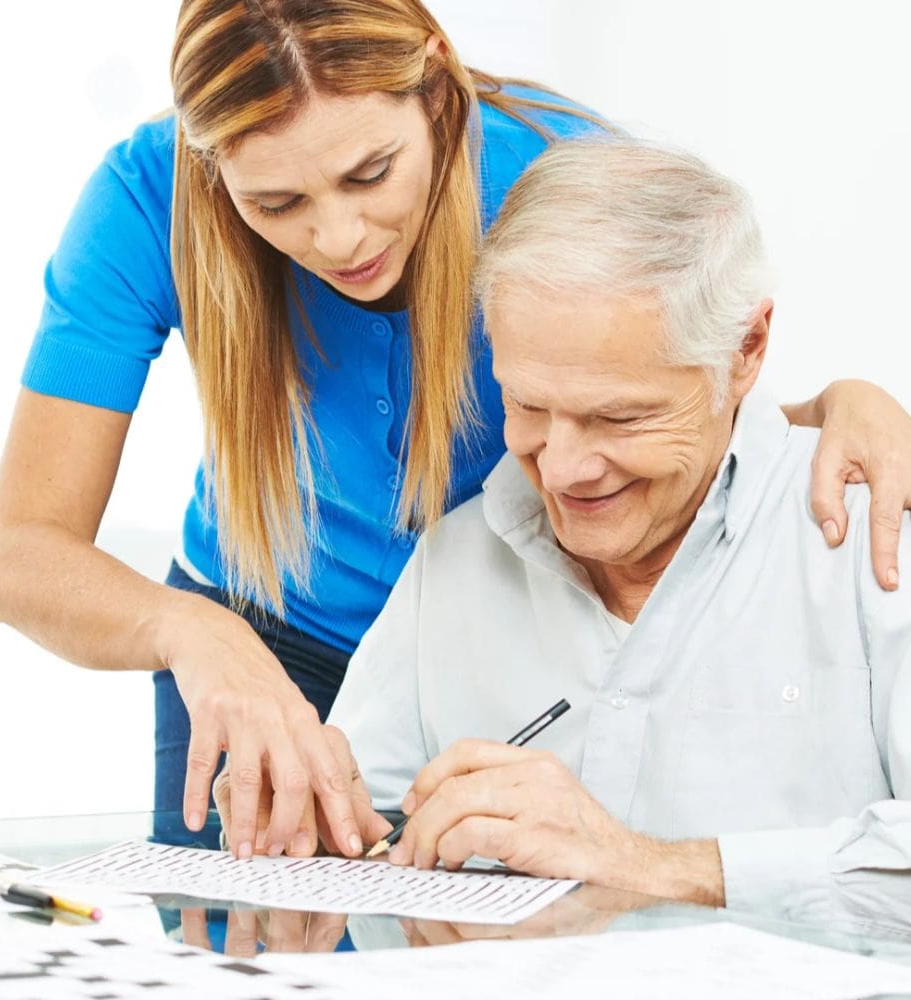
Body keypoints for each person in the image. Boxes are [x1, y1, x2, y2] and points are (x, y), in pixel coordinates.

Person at [0, 0, 911, 864]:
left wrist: (832, 404)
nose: (341, 238)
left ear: (434, 84)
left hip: (486, 656)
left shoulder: (555, 177)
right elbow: (23, 555)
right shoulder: (147, 204)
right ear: (210, 163)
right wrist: (195, 633)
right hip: (258, 645)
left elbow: (673, 403)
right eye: (276, 204)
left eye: (370, 173)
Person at [326, 138, 911, 923]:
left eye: (618, 417)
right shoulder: (459, 558)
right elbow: (359, 830)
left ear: (746, 349)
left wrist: (646, 865)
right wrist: (303, 813)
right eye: (527, 406)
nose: (563, 470)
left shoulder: (867, 536)